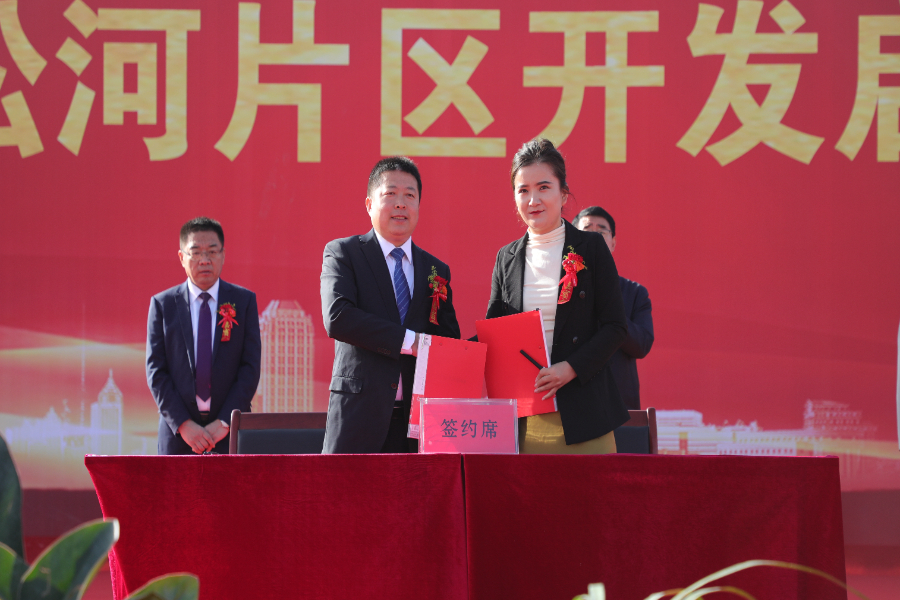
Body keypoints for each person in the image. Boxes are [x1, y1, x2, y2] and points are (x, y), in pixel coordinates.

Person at [484, 138, 629, 454]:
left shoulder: (592, 248)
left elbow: (616, 326)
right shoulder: (506, 257)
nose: (533, 199)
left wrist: (571, 368)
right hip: (528, 415)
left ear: (563, 194)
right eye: (523, 190)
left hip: (586, 411)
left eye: (543, 187)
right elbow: (495, 332)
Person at [320, 157, 460, 454]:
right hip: (358, 419)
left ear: (419, 205)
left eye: (410, 195)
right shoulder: (344, 253)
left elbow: (447, 339)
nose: (400, 203)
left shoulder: (436, 270)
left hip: (418, 425)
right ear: (369, 204)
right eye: (390, 194)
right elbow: (338, 317)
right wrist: (410, 341)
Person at [146, 217, 261, 455]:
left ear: (223, 255)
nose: (205, 260)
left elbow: (249, 368)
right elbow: (156, 371)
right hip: (178, 435)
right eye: (196, 252)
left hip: (229, 433)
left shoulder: (243, 302)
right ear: (182, 257)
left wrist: (224, 422)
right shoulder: (163, 305)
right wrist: (183, 425)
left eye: (212, 251)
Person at [574, 206, 654, 410]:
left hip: (619, 404)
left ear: (613, 242)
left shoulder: (635, 293)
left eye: (601, 231)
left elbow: (642, 345)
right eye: (586, 231)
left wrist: (610, 310)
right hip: (571, 400)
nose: (594, 237)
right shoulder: (559, 288)